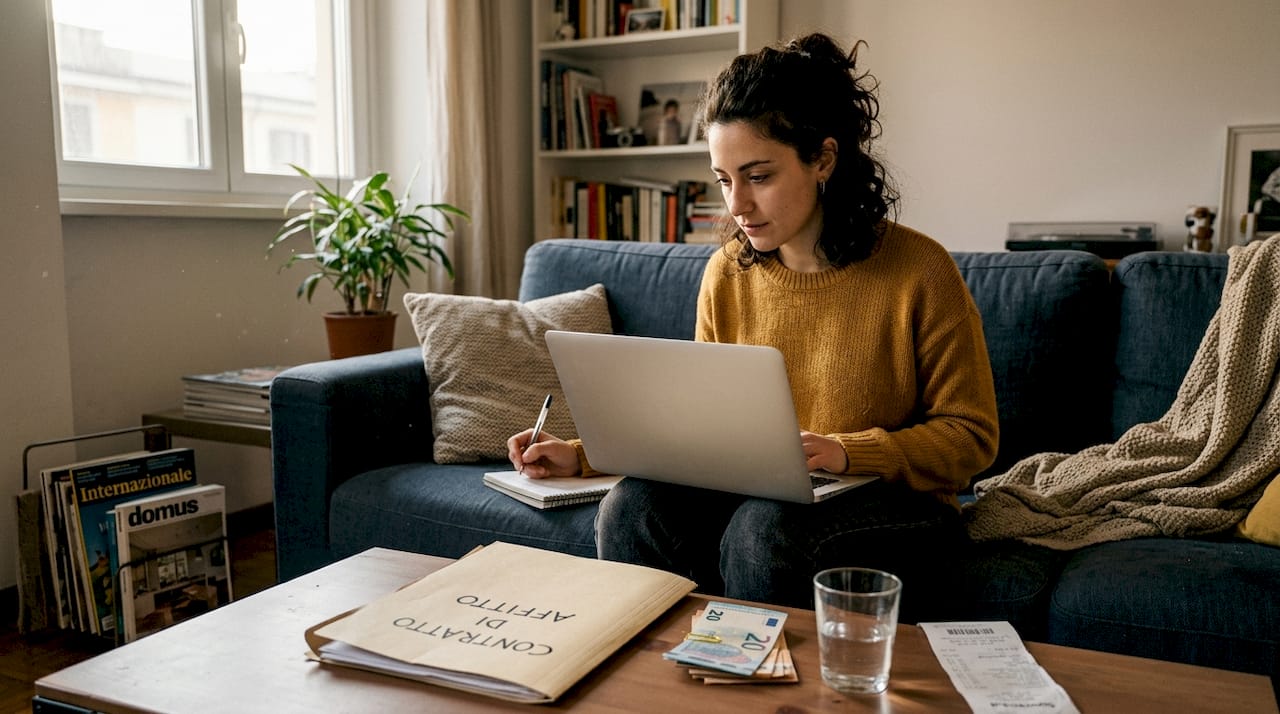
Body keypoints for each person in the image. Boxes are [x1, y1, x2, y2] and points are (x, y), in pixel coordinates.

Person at [508, 33, 999, 612]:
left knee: (763, 530)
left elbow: (973, 438)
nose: (735, 204)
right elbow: (698, 430)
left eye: (758, 176)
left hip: (898, 506)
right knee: (631, 506)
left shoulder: (920, 270)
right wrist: (582, 454)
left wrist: (846, 453)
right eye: (723, 179)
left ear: (823, 159)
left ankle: (762, 693)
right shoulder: (727, 274)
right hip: (765, 496)